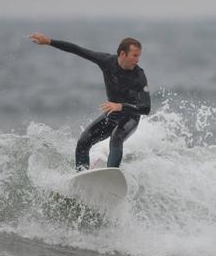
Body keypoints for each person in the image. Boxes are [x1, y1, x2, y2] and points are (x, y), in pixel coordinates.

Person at [29, 33, 151, 171]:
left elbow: (146, 108)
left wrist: (120, 106)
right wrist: (49, 41)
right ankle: (81, 175)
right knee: (83, 141)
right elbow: (78, 50)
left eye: (139, 56)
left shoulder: (139, 76)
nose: (138, 60)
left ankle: (111, 176)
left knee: (116, 137)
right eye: (135, 55)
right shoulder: (106, 61)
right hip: (112, 116)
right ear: (123, 54)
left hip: (130, 117)